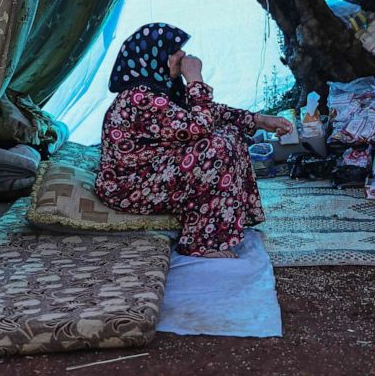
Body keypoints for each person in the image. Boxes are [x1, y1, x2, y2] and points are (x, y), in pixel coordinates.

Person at [96, 23, 292, 259]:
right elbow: (200, 126)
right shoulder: (139, 97)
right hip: (130, 185)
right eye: (175, 50)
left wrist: (259, 120)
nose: (183, 55)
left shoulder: (160, 88)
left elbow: (209, 112)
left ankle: (231, 220)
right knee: (214, 149)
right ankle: (201, 243)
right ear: (155, 56)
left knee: (230, 134)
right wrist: (195, 79)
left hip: (152, 171)